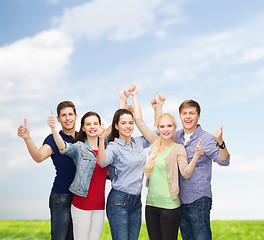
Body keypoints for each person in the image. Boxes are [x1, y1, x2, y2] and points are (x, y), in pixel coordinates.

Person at [129, 83, 204, 240]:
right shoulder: (155, 142)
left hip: (170, 206)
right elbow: (139, 121)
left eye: (169, 126)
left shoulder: (178, 149)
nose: (165, 129)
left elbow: (186, 173)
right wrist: (135, 96)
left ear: (174, 127)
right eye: (162, 126)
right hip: (151, 205)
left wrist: (196, 155)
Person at [153, 96, 230, 240]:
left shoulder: (206, 138)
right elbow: (160, 130)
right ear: (180, 116)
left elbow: (223, 160)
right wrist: (158, 108)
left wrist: (220, 142)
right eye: (184, 113)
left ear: (198, 116)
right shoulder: (176, 136)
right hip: (179, 200)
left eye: (192, 113)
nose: (188, 117)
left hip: (199, 199)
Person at [17, 101, 77, 240]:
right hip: (61, 196)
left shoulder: (82, 137)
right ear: (58, 119)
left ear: (76, 116)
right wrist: (27, 138)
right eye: (63, 115)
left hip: (80, 198)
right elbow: (38, 157)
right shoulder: (53, 139)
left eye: (70, 114)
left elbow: (103, 134)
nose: (67, 118)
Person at [97, 89, 150, 240]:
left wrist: (135, 97)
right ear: (116, 126)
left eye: (130, 123)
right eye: (123, 123)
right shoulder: (114, 146)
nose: (128, 126)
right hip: (118, 202)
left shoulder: (139, 142)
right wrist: (101, 140)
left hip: (137, 202)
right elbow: (102, 162)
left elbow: (157, 134)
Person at [47, 110, 109, 240]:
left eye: (95, 124)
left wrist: (123, 101)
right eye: (88, 124)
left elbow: (117, 124)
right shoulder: (79, 147)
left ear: (100, 126)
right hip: (82, 205)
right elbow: (63, 147)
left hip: (99, 207)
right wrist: (53, 129)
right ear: (83, 128)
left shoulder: (107, 147)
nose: (92, 127)